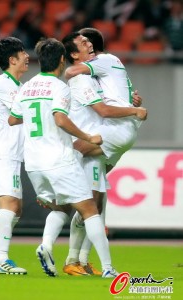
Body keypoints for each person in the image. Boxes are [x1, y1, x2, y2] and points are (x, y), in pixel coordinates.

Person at [8, 37, 119, 278]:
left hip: (34, 164)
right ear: (61, 59)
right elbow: (60, 118)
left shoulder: (26, 87)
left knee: (60, 208)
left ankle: (46, 246)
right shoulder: (60, 87)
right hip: (58, 159)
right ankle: (109, 268)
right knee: (90, 209)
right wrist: (88, 137)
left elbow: (13, 118)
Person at [61, 31, 147, 275]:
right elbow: (114, 98)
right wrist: (132, 102)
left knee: (84, 189)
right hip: (113, 132)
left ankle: (73, 257)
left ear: (92, 50)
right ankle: (79, 260)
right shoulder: (101, 73)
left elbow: (71, 72)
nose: (86, 44)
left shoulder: (101, 63)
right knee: (96, 202)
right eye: (82, 43)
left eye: (87, 41)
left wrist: (131, 106)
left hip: (112, 130)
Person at [0, 37, 29, 274]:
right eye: (22, 53)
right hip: (2, 154)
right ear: (12, 59)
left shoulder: (18, 86)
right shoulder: (3, 83)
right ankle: (0, 260)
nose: (27, 56)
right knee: (10, 205)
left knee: (16, 209)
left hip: (11, 155)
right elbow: (18, 115)